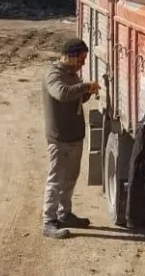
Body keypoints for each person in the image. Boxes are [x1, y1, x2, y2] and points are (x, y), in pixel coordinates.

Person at [41, 37, 100, 239]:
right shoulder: (53, 74)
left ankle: (64, 214)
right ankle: (48, 222)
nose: (83, 63)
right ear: (70, 56)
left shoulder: (72, 74)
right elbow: (62, 94)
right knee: (56, 180)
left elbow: (75, 98)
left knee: (70, 178)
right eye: (81, 59)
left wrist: (87, 92)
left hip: (74, 136)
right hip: (60, 138)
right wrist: (85, 87)